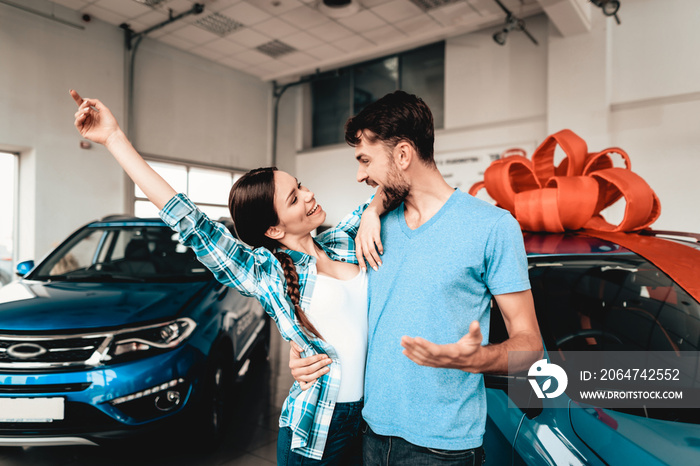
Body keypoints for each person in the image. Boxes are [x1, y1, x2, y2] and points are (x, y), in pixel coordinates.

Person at [69, 89, 386, 465]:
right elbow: (188, 220)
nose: (309, 194)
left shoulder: (344, 241)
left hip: (372, 420)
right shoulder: (265, 272)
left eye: (299, 185)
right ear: (272, 229)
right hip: (318, 428)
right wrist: (113, 138)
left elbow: (395, 186)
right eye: (294, 198)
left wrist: (373, 211)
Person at [290, 90, 543, 465]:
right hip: (370, 434)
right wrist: (304, 351)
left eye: (365, 160)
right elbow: (337, 303)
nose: (360, 174)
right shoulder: (373, 226)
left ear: (403, 154)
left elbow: (531, 346)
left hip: (443, 449)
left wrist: (476, 360)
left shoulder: (492, 227)